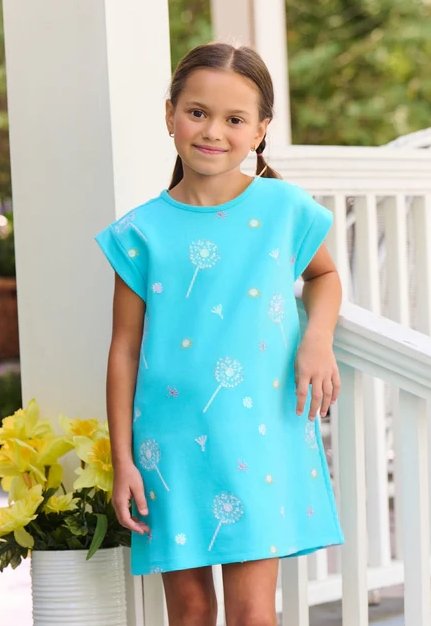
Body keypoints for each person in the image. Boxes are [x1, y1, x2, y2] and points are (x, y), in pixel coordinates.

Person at [95, 42, 344, 626]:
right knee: (189, 611)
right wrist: (123, 460)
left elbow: (325, 276)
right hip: (167, 446)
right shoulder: (139, 232)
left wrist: (317, 339)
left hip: (258, 434)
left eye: (235, 119)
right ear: (170, 115)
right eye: (197, 112)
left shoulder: (283, 209)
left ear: (260, 130)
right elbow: (124, 348)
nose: (213, 131)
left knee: (253, 613)